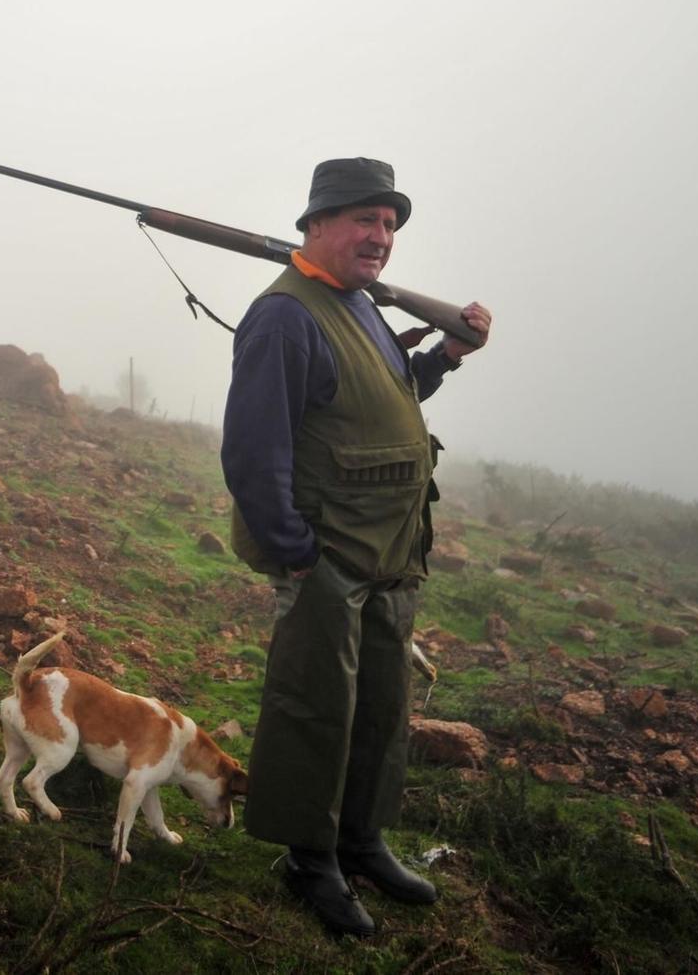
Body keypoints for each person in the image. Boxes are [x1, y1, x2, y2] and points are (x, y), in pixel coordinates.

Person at [221, 157, 491, 937]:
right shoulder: (285, 315)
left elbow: (382, 391)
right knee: (318, 709)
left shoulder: (358, 304)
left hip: (388, 555)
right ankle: (312, 860)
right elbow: (252, 451)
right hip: (328, 557)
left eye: (390, 225)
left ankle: (361, 841)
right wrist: (295, 551)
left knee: (378, 706)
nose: (380, 237)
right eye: (364, 220)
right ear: (315, 224)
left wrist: (443, 356)